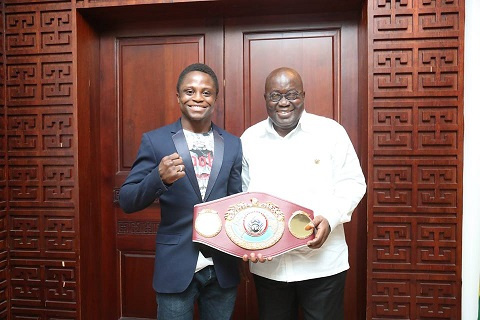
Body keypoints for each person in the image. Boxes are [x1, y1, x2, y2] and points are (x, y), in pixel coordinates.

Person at [119, 63, 242, 320]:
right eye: (189, 91)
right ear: (178, 97)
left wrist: (253, 244)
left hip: (222, 267)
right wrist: (158, 178)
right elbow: (127, 200)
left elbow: (237, 204)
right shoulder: (156, 141)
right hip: (176, 265)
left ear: (215, 98)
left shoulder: (232, 144)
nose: (197, 97)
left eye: (206, 92)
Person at [241, 67, 366, 320]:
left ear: (304, 96)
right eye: (275, 96)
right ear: (265, 99)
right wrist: (249, 240)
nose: (284, 102)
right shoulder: (249, 139)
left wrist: (330, 219)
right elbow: (244, 200)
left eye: (292, 94)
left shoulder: (331, 132)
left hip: (323, 264)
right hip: (270, 266)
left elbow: (353, 183)